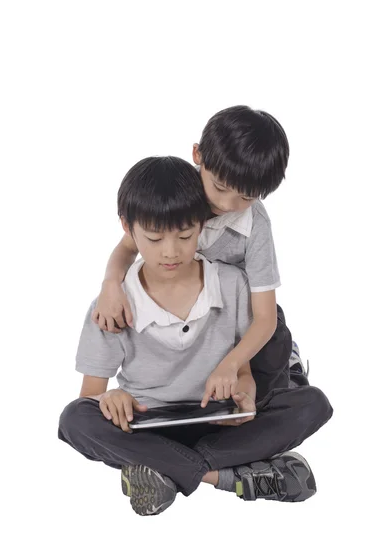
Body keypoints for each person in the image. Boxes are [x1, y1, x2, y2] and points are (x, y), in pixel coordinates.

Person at [58, 156, 333, 517]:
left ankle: (161, 472)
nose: (170, 251)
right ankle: (224, 476)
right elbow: (91, 397)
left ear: (202, 225)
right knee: (74, 419)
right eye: (154, 239)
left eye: (185, 236)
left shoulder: (233, 286)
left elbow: (246, 372)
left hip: (216, 422)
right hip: (150, 426)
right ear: (128, 229)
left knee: (312, 404)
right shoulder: (112, 305)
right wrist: (113, 397)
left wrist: (244, 396)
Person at [91, 106, 299, 403]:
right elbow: (128, 246)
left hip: (242, 314)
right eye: (220, 187)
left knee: (268, 373)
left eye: (246, 197)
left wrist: (231, 364)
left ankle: (289, 374)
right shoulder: (179, 194)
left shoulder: (255, 226)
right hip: (192, 316)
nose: (228, 204)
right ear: (198, 156)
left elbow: (263, 318)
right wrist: (110, 284)